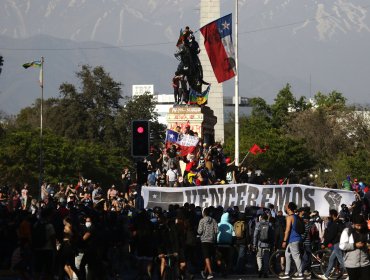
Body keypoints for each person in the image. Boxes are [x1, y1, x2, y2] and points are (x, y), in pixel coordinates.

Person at [339, 214, 370, 280]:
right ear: (353, 223)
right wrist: (354, 245)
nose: (359, 227)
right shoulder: (347, 231)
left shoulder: (366, 231)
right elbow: (342, 246)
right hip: (352, 264)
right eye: (358, 225)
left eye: (361, 225)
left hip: (365, 263)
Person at [280, 202, 303, 280]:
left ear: (289, 208)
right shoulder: (296, 216)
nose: (285, 207)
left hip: (293, 239)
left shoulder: (289, 217)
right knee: (287, 254)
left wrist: (284, 241)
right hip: (295, 239)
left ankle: (300, 274)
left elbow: (287, 230)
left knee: (296, 256)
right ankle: (287, 273)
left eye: (286, 206)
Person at [321, 209, 346, 279]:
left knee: (341, 260)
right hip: (341, 242)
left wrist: (325, 244)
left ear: (332, 215)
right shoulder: (341, 222)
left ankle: (349, 272)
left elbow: (331, 235)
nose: (329, 217)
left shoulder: (334, 224)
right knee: (331, 259)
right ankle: (326, 275)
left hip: (337, 243)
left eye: (330, 215)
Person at [198, 207, 218, 279]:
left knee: (206, 257)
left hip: (204, 241)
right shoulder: (214, 220)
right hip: (212, 240)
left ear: (204, 213)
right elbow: (216, 231)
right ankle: (204, 271)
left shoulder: (202, 221)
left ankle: (210, 273)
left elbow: (199, 231)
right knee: (209, 256)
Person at [253, 213, 273, 278]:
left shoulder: (258, 224)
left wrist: (254, 244)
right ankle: (265, 272)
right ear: (267, 218)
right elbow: (272, 235)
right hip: (267, 244)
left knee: (259, 256)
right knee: (266, 259)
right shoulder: (270, 224)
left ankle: (260, 269)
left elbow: (255, 235)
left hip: (260, 243)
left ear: (261, 217)